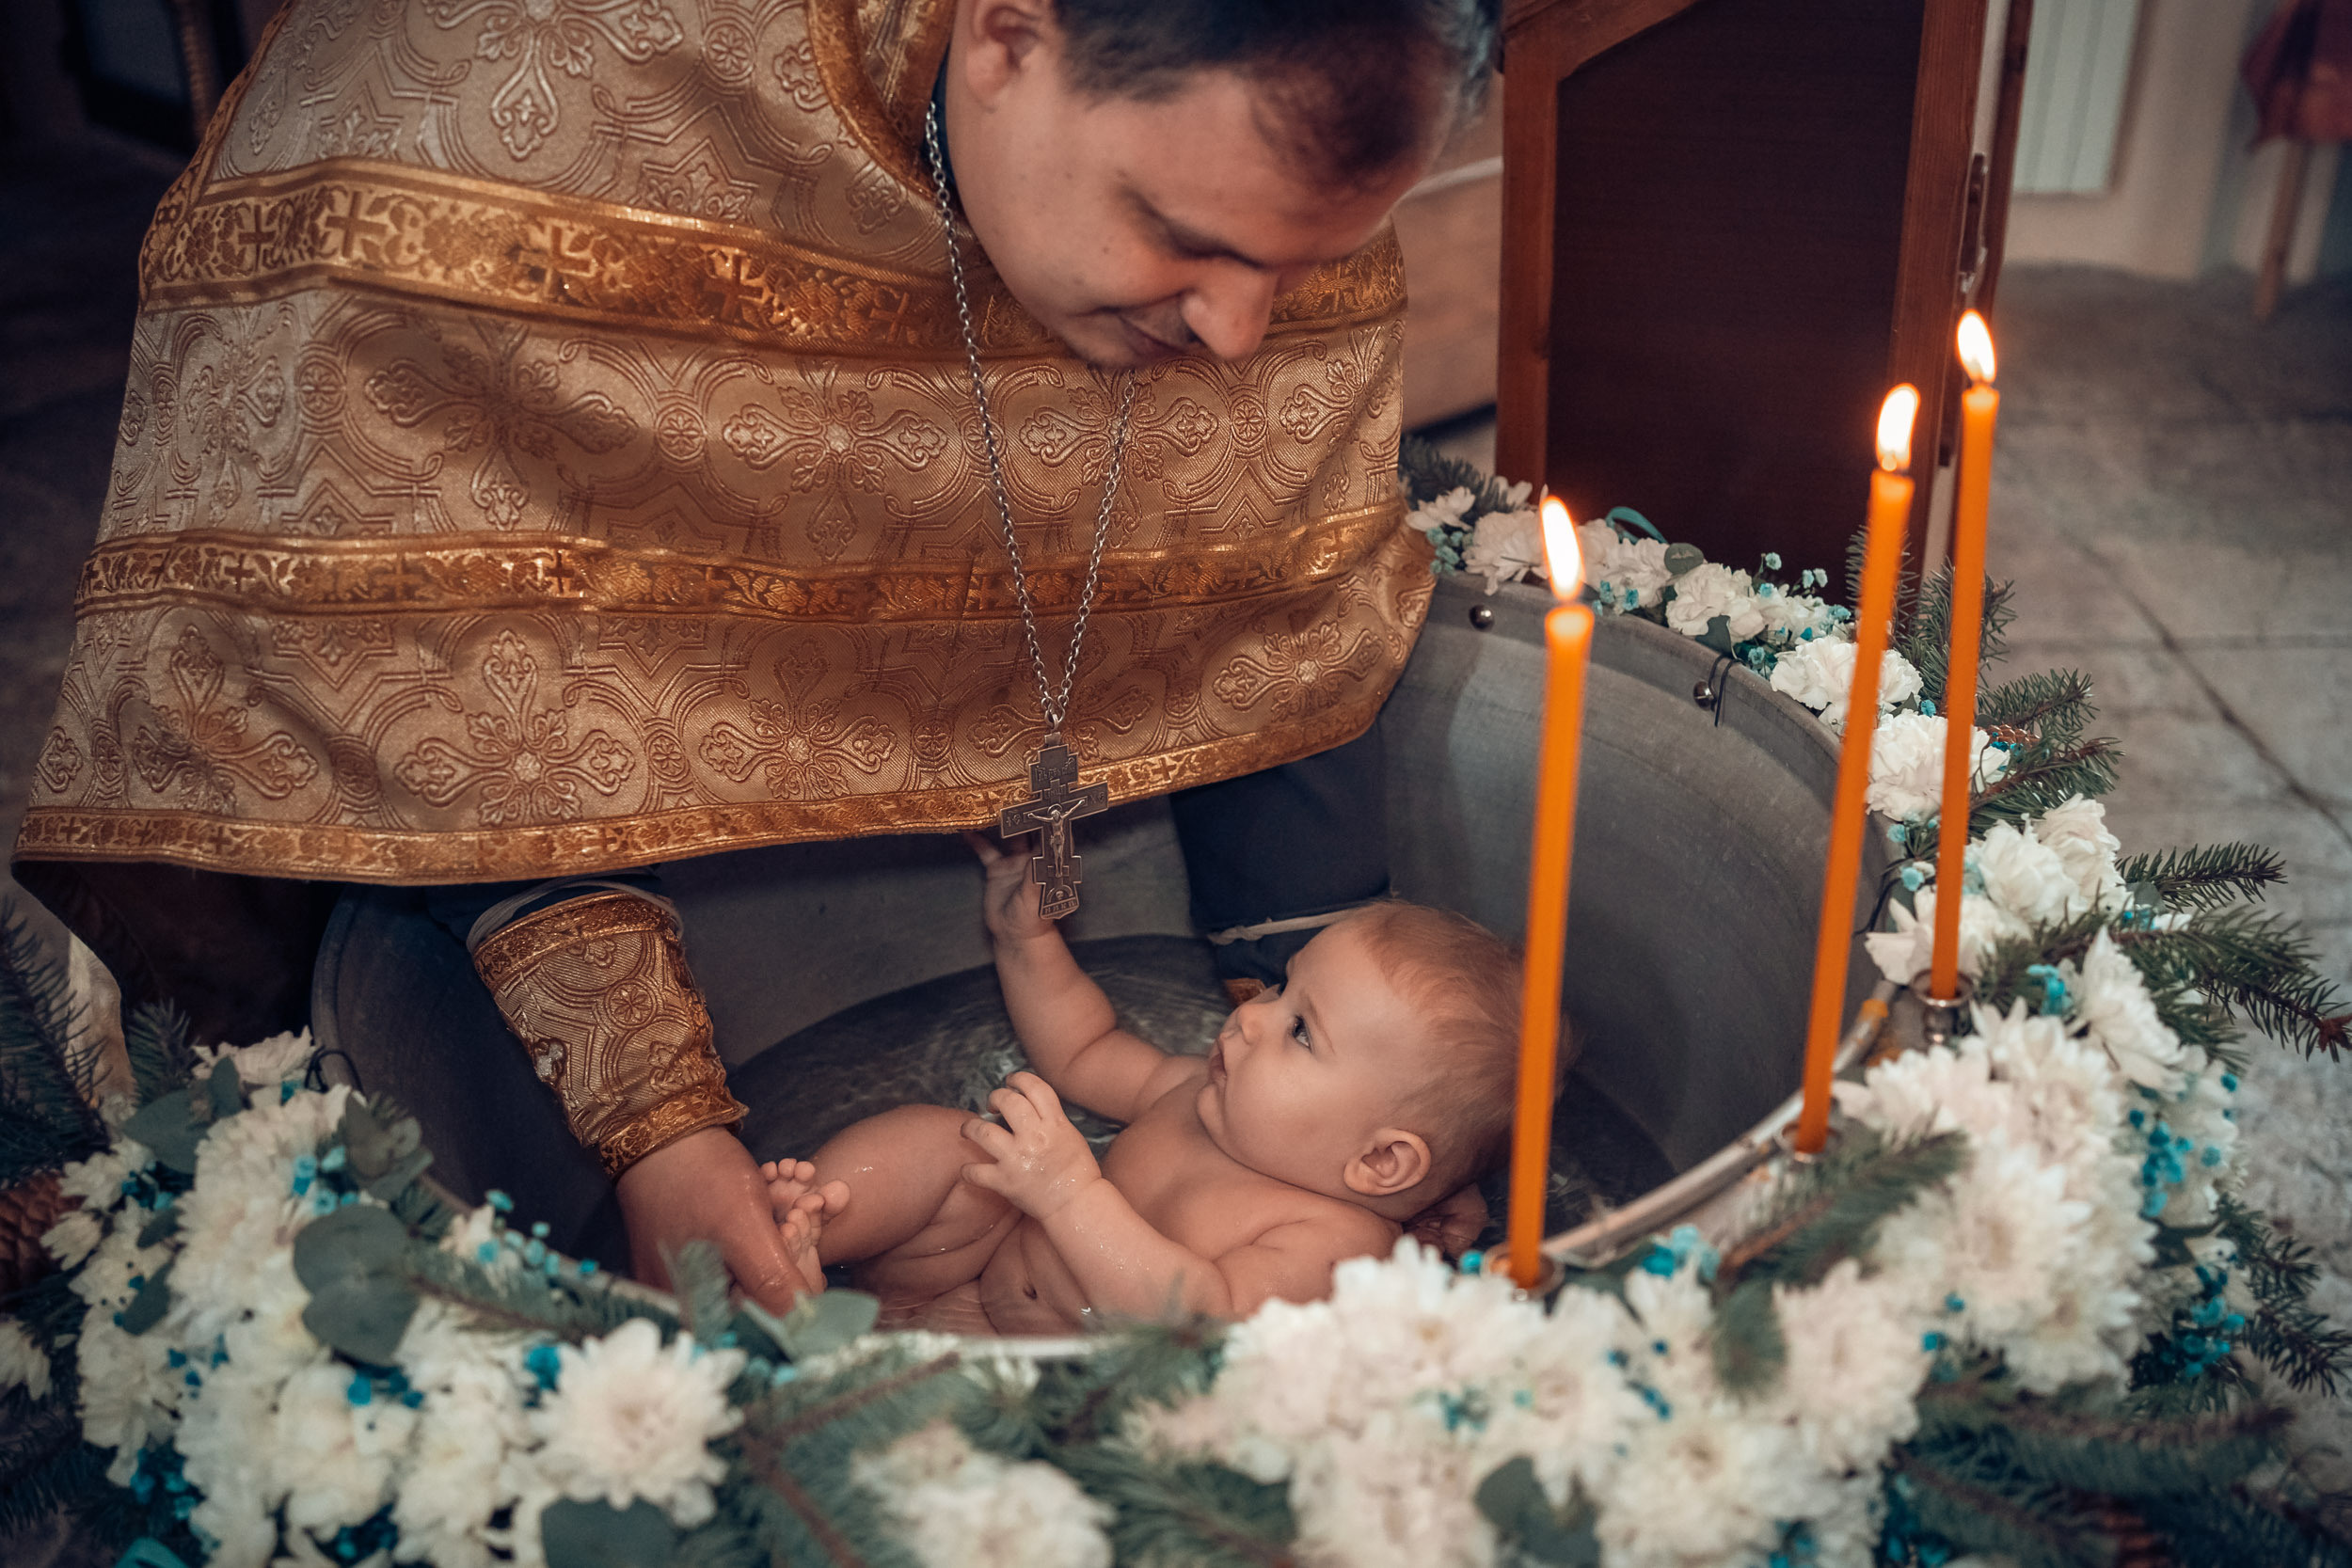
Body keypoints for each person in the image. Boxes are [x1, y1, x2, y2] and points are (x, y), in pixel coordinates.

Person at [13, 0, 1500, 1312]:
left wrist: (1348, 1121)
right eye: (1187, 238)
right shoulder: (502, 107)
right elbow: (455, 661)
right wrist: (660, 1128)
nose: (1245, 334)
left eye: (1303, 264)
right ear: (1008, 33)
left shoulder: (1260, 194)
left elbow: (1268, 563)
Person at [760, 843, 1523, 1328]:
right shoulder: (1199, 1091)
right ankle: (798, 1237)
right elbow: (1084, 1048)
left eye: (1300, 1030)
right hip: (956, 1277)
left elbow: (1205, 1320)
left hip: (1056, 1385)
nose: (1253, 1017)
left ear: (1381, 1162)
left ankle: (794, 1301)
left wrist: (1067, 1194)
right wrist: (1025, 940)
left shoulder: (1340, 1247)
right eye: (1281, 989)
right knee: (947, 1142)